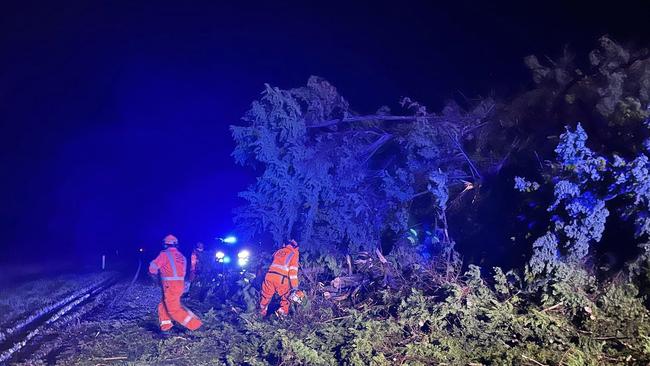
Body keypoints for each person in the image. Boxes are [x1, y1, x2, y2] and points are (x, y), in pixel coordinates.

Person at [149, 234, 202, 333]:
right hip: (179, 285)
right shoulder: (181, 256)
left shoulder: (164, 254)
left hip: (170, 285)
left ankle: (196, 326)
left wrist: (155, 278)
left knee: (174, 310)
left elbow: (152, 268)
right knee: (163, 304)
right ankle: (166, 327)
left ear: (165, 244)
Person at [259, 239, 300, 317]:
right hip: (281, 279)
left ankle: (260, 314)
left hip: (269, 276)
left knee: (265, 296)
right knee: (286, 297)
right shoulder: (294, 253)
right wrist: (295, 287)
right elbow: (293, 272)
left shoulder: (278, 252)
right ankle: (281, 316)